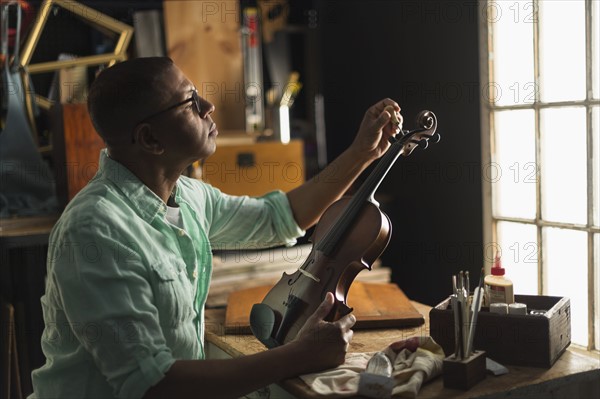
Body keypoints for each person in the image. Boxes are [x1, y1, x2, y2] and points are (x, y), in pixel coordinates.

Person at [30, 57, 403, 399]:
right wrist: (298, 356)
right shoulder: (95, 230)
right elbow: (153, 386)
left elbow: (280, 217)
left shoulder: (187, 195)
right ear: (150, 139)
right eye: (189, 102)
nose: (207, 107)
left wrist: (362, 153)